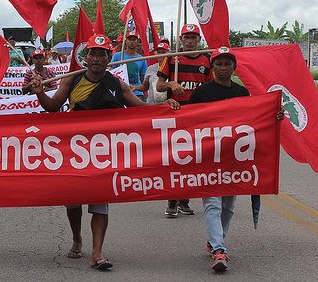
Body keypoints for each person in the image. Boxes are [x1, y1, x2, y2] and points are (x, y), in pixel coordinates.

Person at [30, 34, 179, 271]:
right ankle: (77, 239)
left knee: (100, 204)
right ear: (85, 57)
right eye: (93, 53)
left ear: (109, 58)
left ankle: (97, 253)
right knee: (73, 204)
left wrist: (163, 107)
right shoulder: (71, 81)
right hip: (74, 152)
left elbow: (141, 109)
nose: (97, 58)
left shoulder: (117, 85)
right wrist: (40, 93)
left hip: (103, 154)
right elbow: (52, 107)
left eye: (102, 54)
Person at [188, 47, 284, 272]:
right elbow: (186, 122)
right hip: (209, 157)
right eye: (219, 64)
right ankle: (219, 249)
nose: (223, 68)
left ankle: (214, 240)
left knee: (229, 206)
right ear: (212, 68)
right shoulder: (201, 93)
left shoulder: (242, 93)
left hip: (234, 159)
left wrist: (274, 116)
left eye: (227, 64)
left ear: (234, 68)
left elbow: (255, 120)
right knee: (212, 202)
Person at [156, 23, 212, 218]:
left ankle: (184, 201)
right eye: (186, 37)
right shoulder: (172, 59)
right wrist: (171, 83)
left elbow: (212, 86)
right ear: (181, 39)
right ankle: (172, 201)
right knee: (175, 158)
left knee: (193, 159)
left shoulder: (207, 59)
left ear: (198, 40)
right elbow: (159, 85)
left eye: (193, 38)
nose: (189, 41)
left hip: (197, 116)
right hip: (176, 115)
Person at [110, 33, 147, 101]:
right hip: (120, 91)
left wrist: (141, 89)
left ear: (137, 41)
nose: (132, 41)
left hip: (137, 93)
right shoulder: (117, 56)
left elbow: (143, 78)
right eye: (130, 39)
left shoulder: (142, 59)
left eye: (134, 39)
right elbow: (111, 69)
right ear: (126, 41)